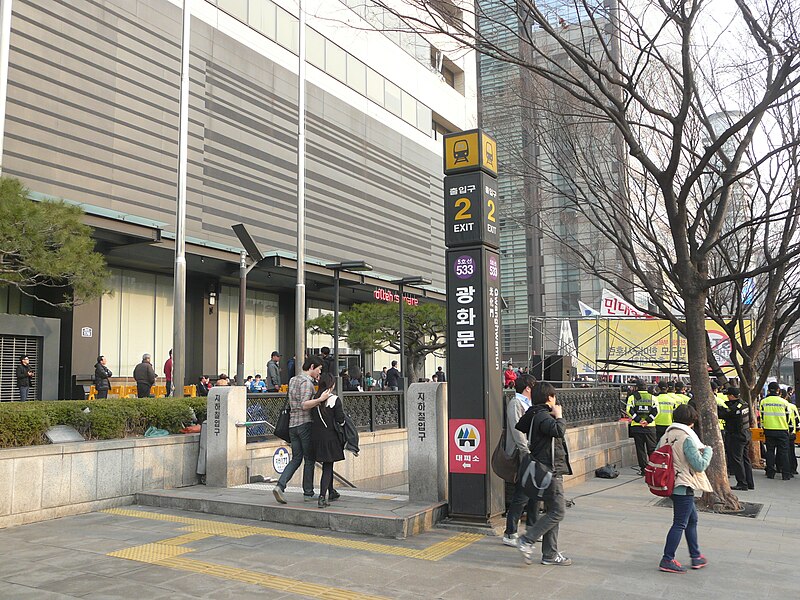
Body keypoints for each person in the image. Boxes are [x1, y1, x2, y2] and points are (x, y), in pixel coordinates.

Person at [515, 382, 573, 566]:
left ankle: (550, 554)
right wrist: (560, 416)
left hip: (544, 468)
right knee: (558, 511)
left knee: (552, 511)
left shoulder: (533, 414)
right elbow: (558, 431)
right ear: (549, 398)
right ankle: (527, 539)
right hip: (549, 470)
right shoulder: (543, 416)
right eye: (554, 397)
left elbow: (521, 426)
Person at [657, 404, 712, 573]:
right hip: (683, 484)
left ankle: (696, 556)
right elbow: (699, 465)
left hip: (670, 483)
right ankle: (667, 559)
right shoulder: (687, 438)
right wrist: (708, 451)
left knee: (691, 519)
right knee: (680, 523)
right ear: (691, 421)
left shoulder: (667, 434)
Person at [273, 355, 331, 504]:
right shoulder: (307, 383)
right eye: (318, 369)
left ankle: (280, 485)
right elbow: (305, 405)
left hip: (292, 425)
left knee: (296, 458)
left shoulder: (293, 380)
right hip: (304, 424)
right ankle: (308, 492)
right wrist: (320, 400)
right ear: (312, 367)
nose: (319, 373)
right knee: (309, 459)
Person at [502, 373, 538, 547]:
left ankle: (532, 529)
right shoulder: (516, 403)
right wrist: (526, 449)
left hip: (530, 452)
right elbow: (517, 429)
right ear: (528, 388)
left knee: (533, 493)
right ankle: (510, 532)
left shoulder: (529, 404)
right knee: (522, 495)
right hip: (522, 453)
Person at [311, 372, 345, 508]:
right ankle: (322, 496)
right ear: (331, 384)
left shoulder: (315, 398)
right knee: (328, 466)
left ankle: (331, 491)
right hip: (330, 437)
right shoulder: (334, 399)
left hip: (317, 437)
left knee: (327, 463)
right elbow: (340, 419)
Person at [719, 387, 754, 490]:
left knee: (737, 460)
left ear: (732, 396)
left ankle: (742, 483)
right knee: (745, 459)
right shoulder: (744, 404)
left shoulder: (735, 408)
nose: (727, 397)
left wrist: (719, 408)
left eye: (728, 395)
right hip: (746, 434)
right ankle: (749, 482)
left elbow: (724, 414)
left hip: (737, 436)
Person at [760, 381, 793, 480]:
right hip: (782, 430)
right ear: (778, 390)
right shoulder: (784, 402)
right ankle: (785, 474)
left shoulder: (764, 402)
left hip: (769, 429)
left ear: (769, 390)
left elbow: (762, 416)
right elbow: (789, 418)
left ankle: (770, 473)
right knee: (783, 452)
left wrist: (764, 426)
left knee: (770, 451)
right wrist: (790, 428)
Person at [626, 379, 659, 474]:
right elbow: (656, 411)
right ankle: (653, 469)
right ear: (646, 387)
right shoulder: (652, 397)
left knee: (640, 449)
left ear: (636, 387)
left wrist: (639, 420)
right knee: (652, 449)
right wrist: (647, 421)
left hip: (637, 426)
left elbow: (629, 410)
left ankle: (644, 469)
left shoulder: (632, 397)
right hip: (650, 427)